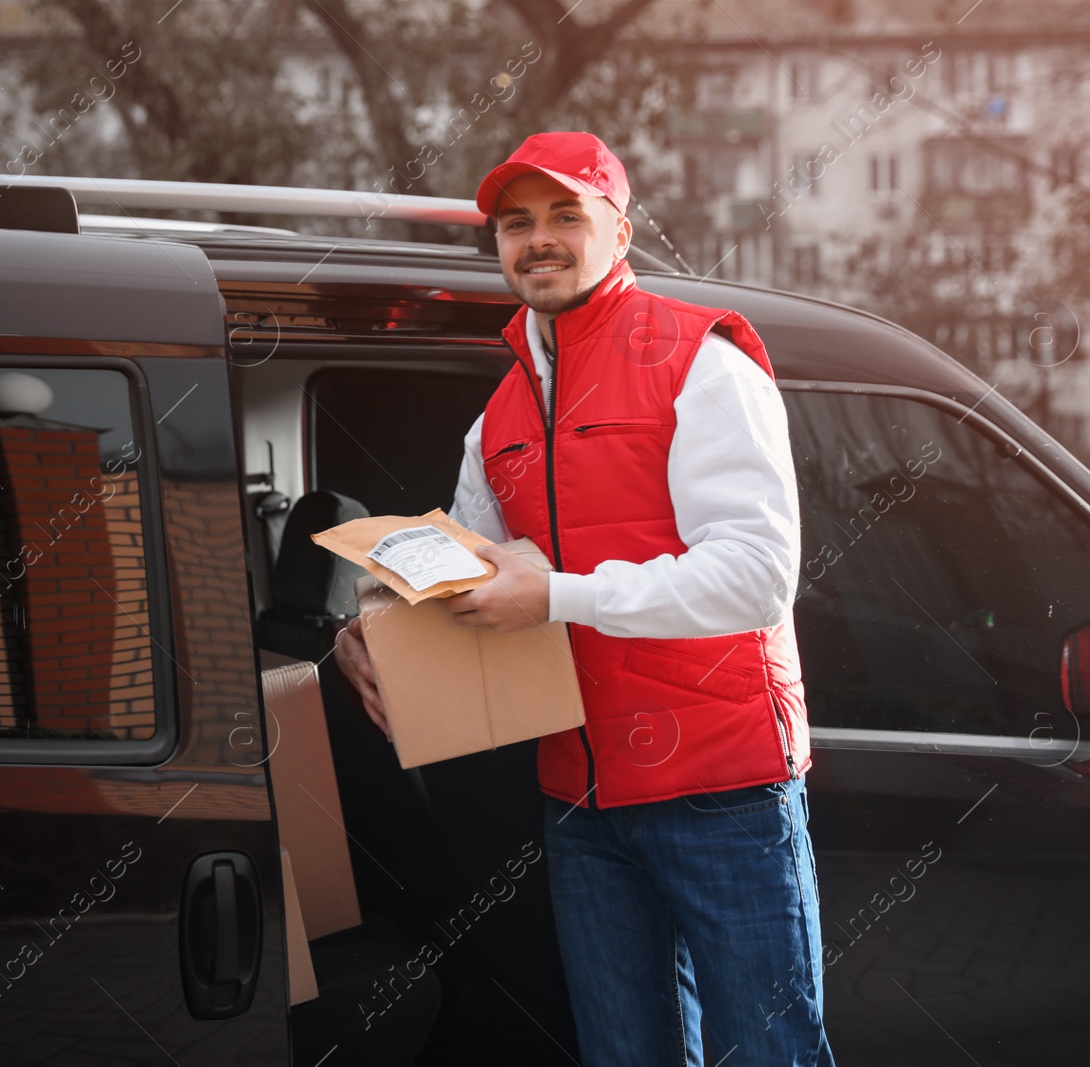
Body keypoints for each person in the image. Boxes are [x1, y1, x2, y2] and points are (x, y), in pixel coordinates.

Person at [333, 131, 834, 1067]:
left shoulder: (703, 361)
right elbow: (464, 564)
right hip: (581, 798)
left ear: (621, 228)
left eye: (567, 214)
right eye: (517, 223)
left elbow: (758, 574)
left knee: (771, 1055)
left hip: (724, 789)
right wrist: (368, 620)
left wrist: (558, 594)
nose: (540, 239)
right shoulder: (501, 416)